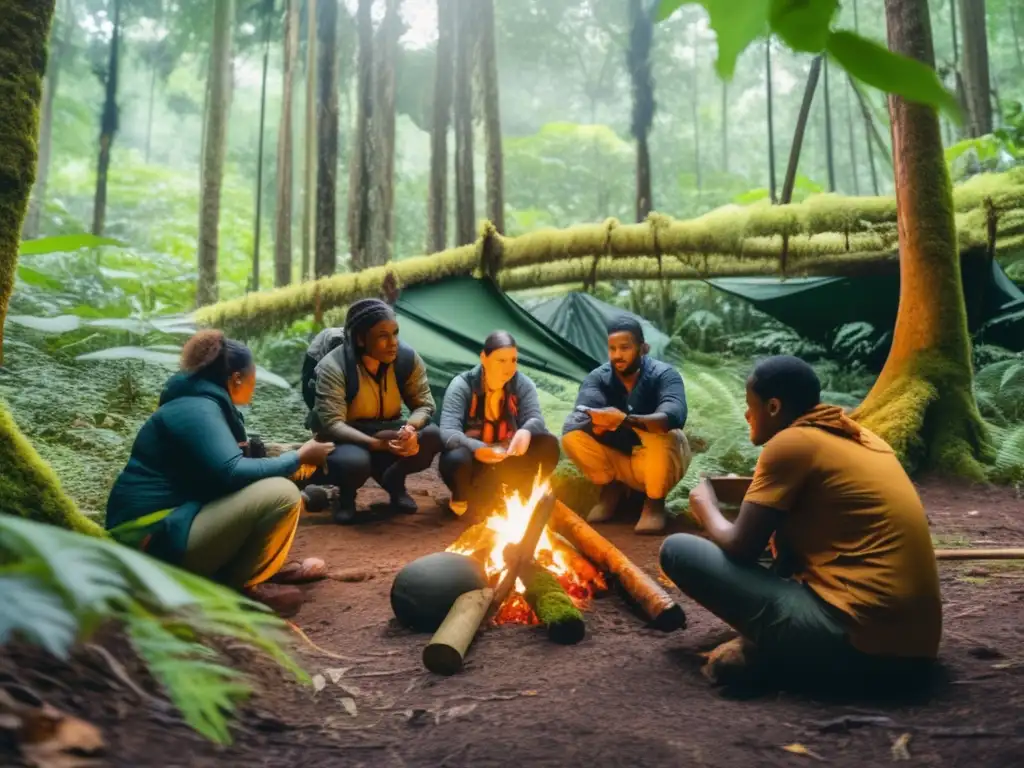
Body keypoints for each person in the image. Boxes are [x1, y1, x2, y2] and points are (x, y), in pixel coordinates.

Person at [659, 356, 942, 689]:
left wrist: (703, 504)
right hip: (916, 646)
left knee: (678, 550)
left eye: (751, 406)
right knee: (776, 545)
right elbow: (816, 492)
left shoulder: (790, 444)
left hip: (858, 644)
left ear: (774, 406)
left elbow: (741, 547)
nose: (747, 415)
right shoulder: (857, 436)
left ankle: (780, 655)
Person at [106, 330, 337, 618]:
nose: (255, 381)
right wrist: (297, 458)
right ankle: (239, 589)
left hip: (175, 525)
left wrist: (294, 459)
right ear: (236, 377)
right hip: (151, 541)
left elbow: (222, 473)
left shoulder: (202, 403)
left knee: (273, 491)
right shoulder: (196, 409)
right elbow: (232, 471)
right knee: (281, 494)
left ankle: (252, 574)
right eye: (253, 374)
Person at [308, 298, 442, 523]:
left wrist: (410, 428)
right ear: (361, 339)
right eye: (383, 336)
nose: (393, 343)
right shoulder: (334, 366)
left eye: (395, 333)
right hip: (345, 439)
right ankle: (347, 496)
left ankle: (394, 483)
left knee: (432, 436)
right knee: (355, 463)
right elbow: (333, 423)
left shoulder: (406, 360)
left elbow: (424, 404)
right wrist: (372, 443)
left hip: (386, 429)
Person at [561, 316, 691, 534]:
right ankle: (611, 489)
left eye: (625, 348)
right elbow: (582, 415)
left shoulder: (664, 375)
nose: (617, 355)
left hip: (657, 458)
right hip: (620, 459)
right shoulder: (598, 378)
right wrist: (597, 424)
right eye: (612, 349)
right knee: (572, 437)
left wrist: (625, 420)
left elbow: (674, 415)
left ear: (643, 348)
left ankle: (654, 503)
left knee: (664, 433)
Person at [438, 331, 561, 516]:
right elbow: (448, 432)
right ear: (484, 358)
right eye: (501, 360)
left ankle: (515, 491)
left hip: (505, 458)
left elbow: (536, 418)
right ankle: (462, 495)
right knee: (456, 458)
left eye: (513, 360)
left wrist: (526, 431)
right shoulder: (462, 385)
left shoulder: (522, 383)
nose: (509, 368)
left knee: (548, 444)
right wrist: (477, 448)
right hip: (473, 461)